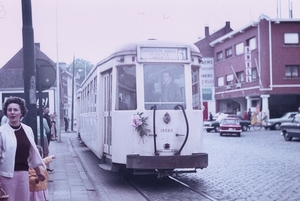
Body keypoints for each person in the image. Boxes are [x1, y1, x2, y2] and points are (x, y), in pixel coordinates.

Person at [0, 96, 45, 201]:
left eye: (15, 110)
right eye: (9, 110)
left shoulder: (28, 130)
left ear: (21, 112)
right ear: (6, 112)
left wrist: (38, 172)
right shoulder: (1, 131)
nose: (12, 112)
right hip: (6, 175)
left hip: (24, 174)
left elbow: (31, 154)